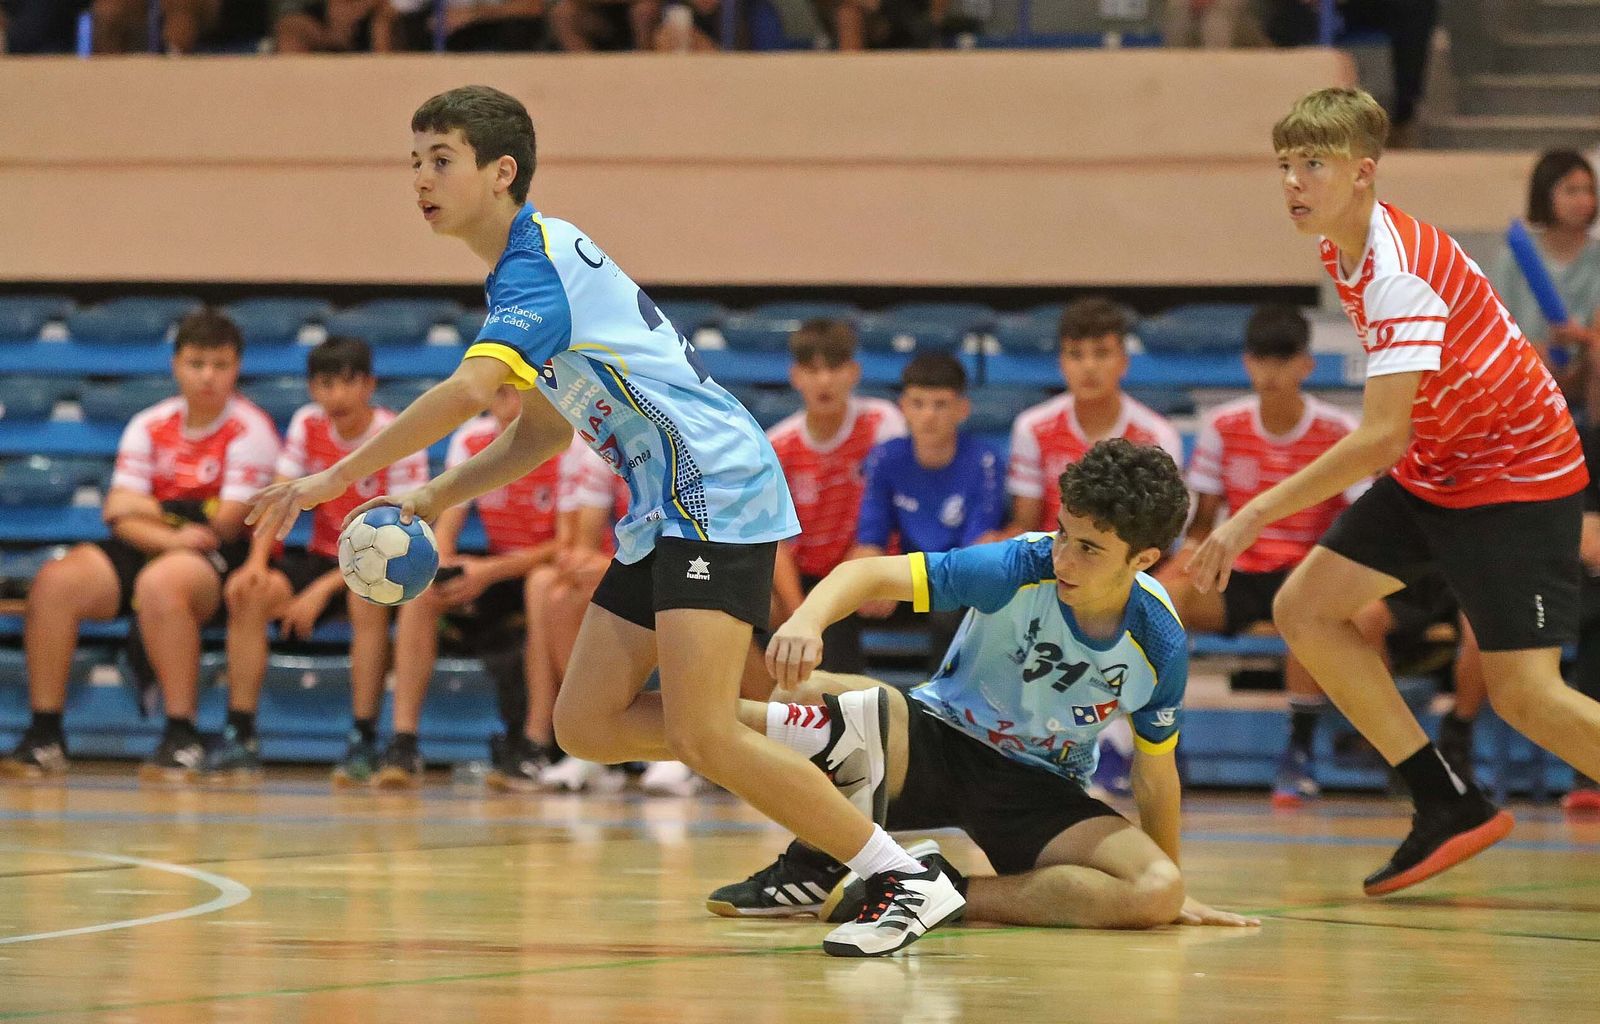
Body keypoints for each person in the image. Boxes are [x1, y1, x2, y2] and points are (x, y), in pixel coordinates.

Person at [248, 85, 954, 957]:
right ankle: (825, 731)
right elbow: (542, 430)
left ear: (501, 172)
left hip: (713, 487)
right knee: (585, 723)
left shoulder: (534, 270)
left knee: (701, 730)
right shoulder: (529, 269)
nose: (421, 179)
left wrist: (336, 477)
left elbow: (469, 392)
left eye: (442, 160)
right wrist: (436, 496)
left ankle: (900, 874)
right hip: (663, 506)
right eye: (415, 162)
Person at [1189, 87, 1599, 897]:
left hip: (1516, 477)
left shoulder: (1398, 273)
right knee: (1307, 609)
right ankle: (1445, 802)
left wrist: (1252, 515)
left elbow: (1381, 436)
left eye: (1314, 164)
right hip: (1441, 466)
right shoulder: (1341, 249)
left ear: (1363, 172)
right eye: (1285, 164)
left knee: (1527, 696)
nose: (1293, 182)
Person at [709, 440, 1257, 935]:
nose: (1063, 557)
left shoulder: (1157, 640)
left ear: (1144, 559)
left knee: (1155, 889)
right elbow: (868, 574)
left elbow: (1155, 776)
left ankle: (939, 891)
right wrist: (807, 620)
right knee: (803, 696)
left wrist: (1175, 891)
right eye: (1063, 532)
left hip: (1039, 788)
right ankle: (815, 863)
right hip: (935, 740)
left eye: (1089, 548)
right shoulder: (1018, 565)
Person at [1, 310, 279, 781]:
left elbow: (226, 523)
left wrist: (150, 508)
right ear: (176, 365)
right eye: (196, 363)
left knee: (160, 584)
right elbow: (116, 511)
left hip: (215, 558)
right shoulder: (149, 424)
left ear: (237, 368)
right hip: (158, 542)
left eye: (220, 365)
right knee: (55, 582)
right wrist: (174, 527)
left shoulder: (250, 429)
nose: (208, 376)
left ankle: (181, 734)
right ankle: (45, 733)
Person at [1157, 305, 1365, 807]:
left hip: (1307, 570)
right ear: (1247, 363)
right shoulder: (1223, 425)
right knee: (1160, 599)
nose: (1271, 373)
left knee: (1310, 611)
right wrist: (1182, 563)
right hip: (1239, 569)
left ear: (1306, 365)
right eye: (1261, 360)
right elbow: (1203, 522)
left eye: (1283, 360)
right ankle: (1163, 744)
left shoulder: (1338, 429)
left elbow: (1359, 520)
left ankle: (1300, 751)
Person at [205, 337, 429, 784]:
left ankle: (363, 738)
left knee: (365, 600)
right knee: (246, 592)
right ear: (311, 389)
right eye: (325, 385)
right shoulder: (307, 424)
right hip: (324, 555)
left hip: (381, 560)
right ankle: (239, 734)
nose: (337, 396)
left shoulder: (398, 434)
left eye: (348, 384)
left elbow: (402, 532)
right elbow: (281, 498)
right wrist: (256, 563)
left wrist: (321, 591)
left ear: (369, 385)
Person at [381, 384, 612, 790]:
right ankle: (404, 742)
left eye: (516, 387)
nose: (506, 397)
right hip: (497, 568)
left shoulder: (567, 441)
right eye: (498, 389)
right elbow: (446, 530)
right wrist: (444, 566)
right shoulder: (471, 439)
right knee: (422, 592)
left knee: (541, 586)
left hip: (543, 566)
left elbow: (566, 545)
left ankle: (534, 742)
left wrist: (488, 572)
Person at [765, 318, 906, 674]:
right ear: (796, 376)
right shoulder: (777, 444)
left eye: (834, 368)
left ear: (854, 373)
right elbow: (775, 540)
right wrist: (801, 613)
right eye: (813, 371)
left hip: (871, 559)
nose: (824, 381)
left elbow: (898, 502)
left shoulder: (882, 421)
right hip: (807, 573)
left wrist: (882, 565)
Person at [851, 351, 1003, 670]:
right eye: (918, 404)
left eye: (941, 404)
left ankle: (942, 698)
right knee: (845, 598)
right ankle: (835, 695)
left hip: (956, 577)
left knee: (952, 608)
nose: (929, 415)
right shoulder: (885, 458)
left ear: (962, 409)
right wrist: (870, 581)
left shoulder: (984, 460)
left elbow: (977, 546)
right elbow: (870, 540)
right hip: (908, 575)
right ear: (903, 407)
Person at [1002, 296, 1183, 536]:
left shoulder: (1157, 436)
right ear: (1061, 363)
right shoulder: (1032, 428)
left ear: (1124, 362)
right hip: (1052, 554)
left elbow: (1161, 533)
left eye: (1101, 353)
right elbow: (1025, 526)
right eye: (1076, 354)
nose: (1089, 366)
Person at [1487, 150, 1600, 420]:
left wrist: (1581, 337)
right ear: (1545, 195)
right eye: (1571, 191)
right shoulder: (1515, 258)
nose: (1583, 200)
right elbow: (1496, 327)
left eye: (1588, 191)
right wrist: (1535, 351)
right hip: (1530, 365)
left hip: (1585, 371)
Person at [549, 0, 660, 50]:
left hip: (635, 18)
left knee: (646, 9)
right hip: (597, 18)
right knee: (562, 13)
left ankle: (644, 61)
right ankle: (586, 67)